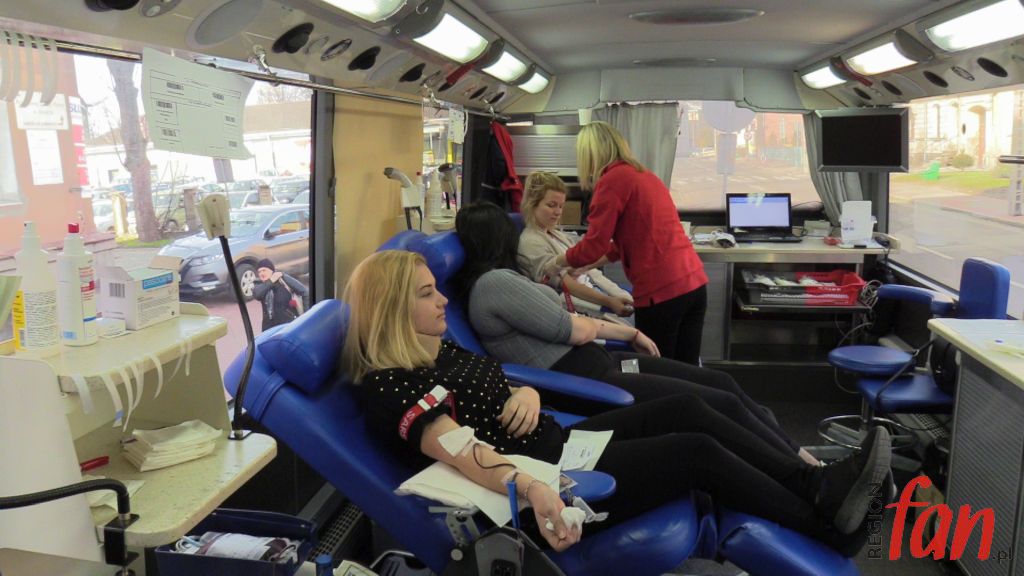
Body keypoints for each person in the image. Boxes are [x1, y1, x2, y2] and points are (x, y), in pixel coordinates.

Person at [342, 250, 892, 556]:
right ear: (391, 309)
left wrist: (525, 391)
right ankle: (828, 530)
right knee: (695, 450)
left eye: (436, 287)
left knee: (690, 408)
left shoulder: (437, 350)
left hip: (560, 443)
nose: (442, 299)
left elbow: (495, 387)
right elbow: (465, 454)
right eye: (426, 294)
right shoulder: (391, 386)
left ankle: (814, 483)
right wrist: (535, 489)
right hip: (549, 483)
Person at [454, 202, 821, 467]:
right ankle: (799, 472)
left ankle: (803, 459)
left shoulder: (503, 280)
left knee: (721, 383)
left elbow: (573, 323)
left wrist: (630, 334)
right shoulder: (495, 284)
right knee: (715, 403)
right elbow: (576, 328)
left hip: (602, 361)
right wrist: (616, 330)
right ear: (501, 239)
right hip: (585, 377)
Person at [547, 121, 708, 364]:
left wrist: (558, 262)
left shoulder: (611, 181)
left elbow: (593, 245)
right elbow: (625, 241)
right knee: (687, 368)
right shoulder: (644, 175)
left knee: (657, 369)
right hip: (693, 284)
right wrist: (586, 266)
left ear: (590, 153)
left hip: (662, 292)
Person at [517, 171, 633, 318]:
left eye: (561, 206)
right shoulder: (530, 243)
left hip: (592, 290)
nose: (558, 212)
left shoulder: (556, 235)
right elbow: (566, 285)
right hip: (576, 307)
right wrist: (609, 301)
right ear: (532, 204)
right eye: (551, 205)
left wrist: (617, 293)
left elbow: (587, 269)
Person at [252, 258, 309, 331]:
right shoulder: (259, 284)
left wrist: (306, 316)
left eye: (264, 270)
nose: (261, 273)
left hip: (288, 325)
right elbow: (257, 294)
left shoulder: (283, 279)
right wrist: (271, 281)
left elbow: (304, 292)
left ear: (271, 270)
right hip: (269, 328)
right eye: (259, 272)